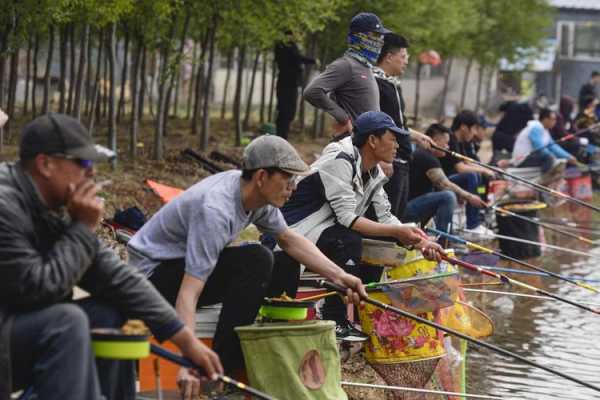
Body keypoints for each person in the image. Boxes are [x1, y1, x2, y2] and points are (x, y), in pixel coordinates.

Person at [0, 113, 223, 400]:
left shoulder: (49, 202)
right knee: (66, 322)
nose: (91, 173)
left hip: (14, 333)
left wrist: (185, 339)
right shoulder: (6, 206)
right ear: (46, 164)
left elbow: (116, 276)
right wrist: (81, 228)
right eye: (83, 162)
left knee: (109, 314)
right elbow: (37, 290)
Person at [127, 135, 366, 386]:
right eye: (287, 178)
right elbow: (188, 293)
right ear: (262, 177)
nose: (293, 187)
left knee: (284, 261)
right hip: (149, 282)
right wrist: (189, 360)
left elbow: (289, 239)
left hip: (179, 268)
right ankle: (221, 371)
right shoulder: (215, 210)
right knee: (256, 258)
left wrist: (341, 277)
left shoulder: (255, 197)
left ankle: (270, 351)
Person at [276, 111, 443, 341]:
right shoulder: (340, 158)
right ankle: (335, 319)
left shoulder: (372, 170)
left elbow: (386, 217)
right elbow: (348, 219)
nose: (398, 144)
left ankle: (361, 313)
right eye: (392, 138)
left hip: (324, 231)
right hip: (296, 232)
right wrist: (398, 232)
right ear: (373, 140)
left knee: (382, 242)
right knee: (348, 239)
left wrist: (423, 242)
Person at [373, 32, 434, 217]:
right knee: (387, 217)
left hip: (403, 158)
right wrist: (383, 159)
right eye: (403, 56)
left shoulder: (392, 84)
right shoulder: (376, 83)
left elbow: (398, 123)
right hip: (391, 160)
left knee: (398, 216)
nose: (406, 61)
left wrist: (416, 136)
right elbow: (377, 123)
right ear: (389, 57)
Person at [303, 12, 389, 138]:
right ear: (359, 37)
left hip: (367, 146)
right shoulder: (346, 65)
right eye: (375, 35)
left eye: (381, 36)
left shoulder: (366, 67)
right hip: (350, 144)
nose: (380, 41)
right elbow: (312, 91)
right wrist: (343, 117)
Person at [404, 123, 487, 235]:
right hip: (406, 211)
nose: (448, 147)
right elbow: (445, 184)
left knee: (449, 194)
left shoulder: (427, 156)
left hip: (413, 205)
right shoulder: (426, 157)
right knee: (448, 196)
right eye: (445, 143)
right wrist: (469, 197)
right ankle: (443, 241)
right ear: (433, 141)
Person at [441, 110, 494, 235]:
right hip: (444, 180)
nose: (475, 132)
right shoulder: (451, 139)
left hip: (453, 178)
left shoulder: (460, 142)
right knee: (472, 175)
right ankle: (472, 224)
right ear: (464, 127)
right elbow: (461, 168)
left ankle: (480, 212)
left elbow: (468, 163)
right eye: (474, 128)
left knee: (479, 176)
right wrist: (484, 170)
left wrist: (487, 170)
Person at [512, 108, 577, 184]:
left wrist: (569, 157)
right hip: (522, 159)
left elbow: (553, 146)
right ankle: (543, 183)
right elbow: (539, 148)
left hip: (532, 157)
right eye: (553, 119)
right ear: (545, 119)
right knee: (549, 158)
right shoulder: (536, 128)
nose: (554, 122)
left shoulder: (544, 130)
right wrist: (554, 158)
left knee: (554, 159)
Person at [274, 31, 316, 139]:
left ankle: (281, 136)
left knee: (284, 112)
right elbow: (297, 57)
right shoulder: (287, 46)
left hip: (286, 83)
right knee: (287, 112)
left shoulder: (280, 45)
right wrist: (313, 61)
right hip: (288, 84)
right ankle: (282, 137)